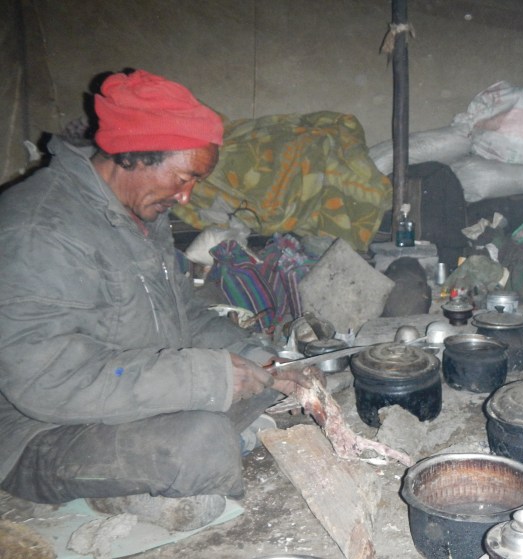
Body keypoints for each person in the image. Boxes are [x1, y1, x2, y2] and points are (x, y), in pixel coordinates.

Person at [0, 69, 319, 531]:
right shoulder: (40, 229)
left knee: (272, 387)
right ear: (133, 156)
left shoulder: (138, 211)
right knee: (199, 441)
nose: (187, 196)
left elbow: (184, 315)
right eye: (184, 178)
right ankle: (122, 494)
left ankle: (201, 452)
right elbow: (48, 381)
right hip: (40, 431)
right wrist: (204, 377)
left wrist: (263, 361)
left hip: (133, 394)